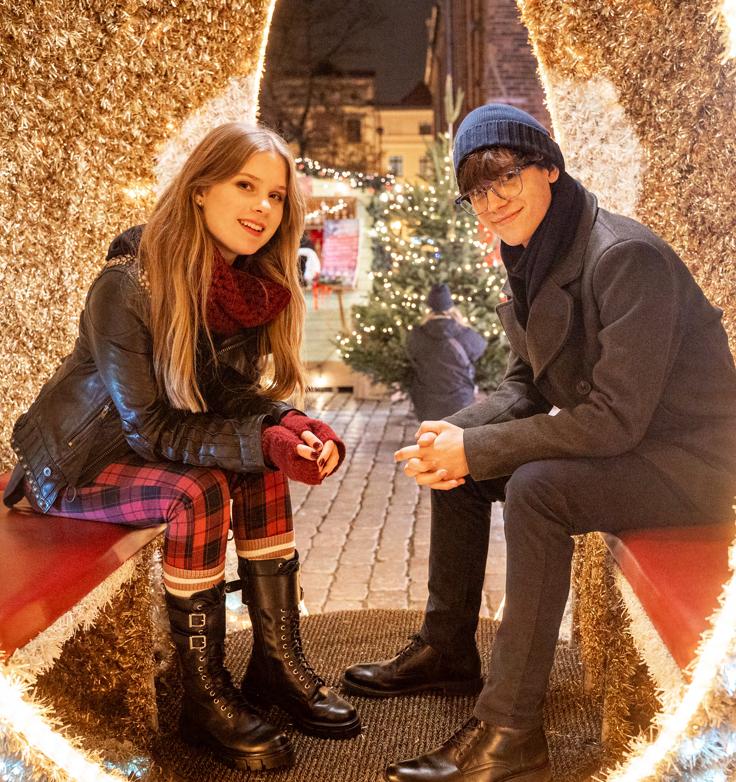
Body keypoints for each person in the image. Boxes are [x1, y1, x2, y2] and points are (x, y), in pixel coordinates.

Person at [342, 103, 736, 782]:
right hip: (634, 445)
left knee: (537, 489)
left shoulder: (624, 257)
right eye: (476, 193)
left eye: (506, 179)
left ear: (549, 168)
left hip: (693, 465)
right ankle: (447, 648)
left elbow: (612, 420)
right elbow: (523, 384)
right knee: (463, 465)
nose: (491, 204)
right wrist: (458, 434)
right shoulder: (534, 254)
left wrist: (480, 449)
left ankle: (511, 731)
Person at [3, 123, 361, 772]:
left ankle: (276, 665)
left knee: (260, 471)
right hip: (73, 465)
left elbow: (225, 393)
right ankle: (203, 696)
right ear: (200, 189)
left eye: (276, 196)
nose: (262, 207)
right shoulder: (127, 286)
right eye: (245, 186)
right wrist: (264, 438)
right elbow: (151, 428)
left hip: (140, 449)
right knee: (200, 491)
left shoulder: (239, 287)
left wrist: (294, 425)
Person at [406, 282, 487, 420]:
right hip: (460, 402)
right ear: (451, 307)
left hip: (426, 403)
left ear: (430, 308)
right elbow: (480, 348)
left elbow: (411, 353)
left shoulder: (416, 335)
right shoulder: (465, 334)